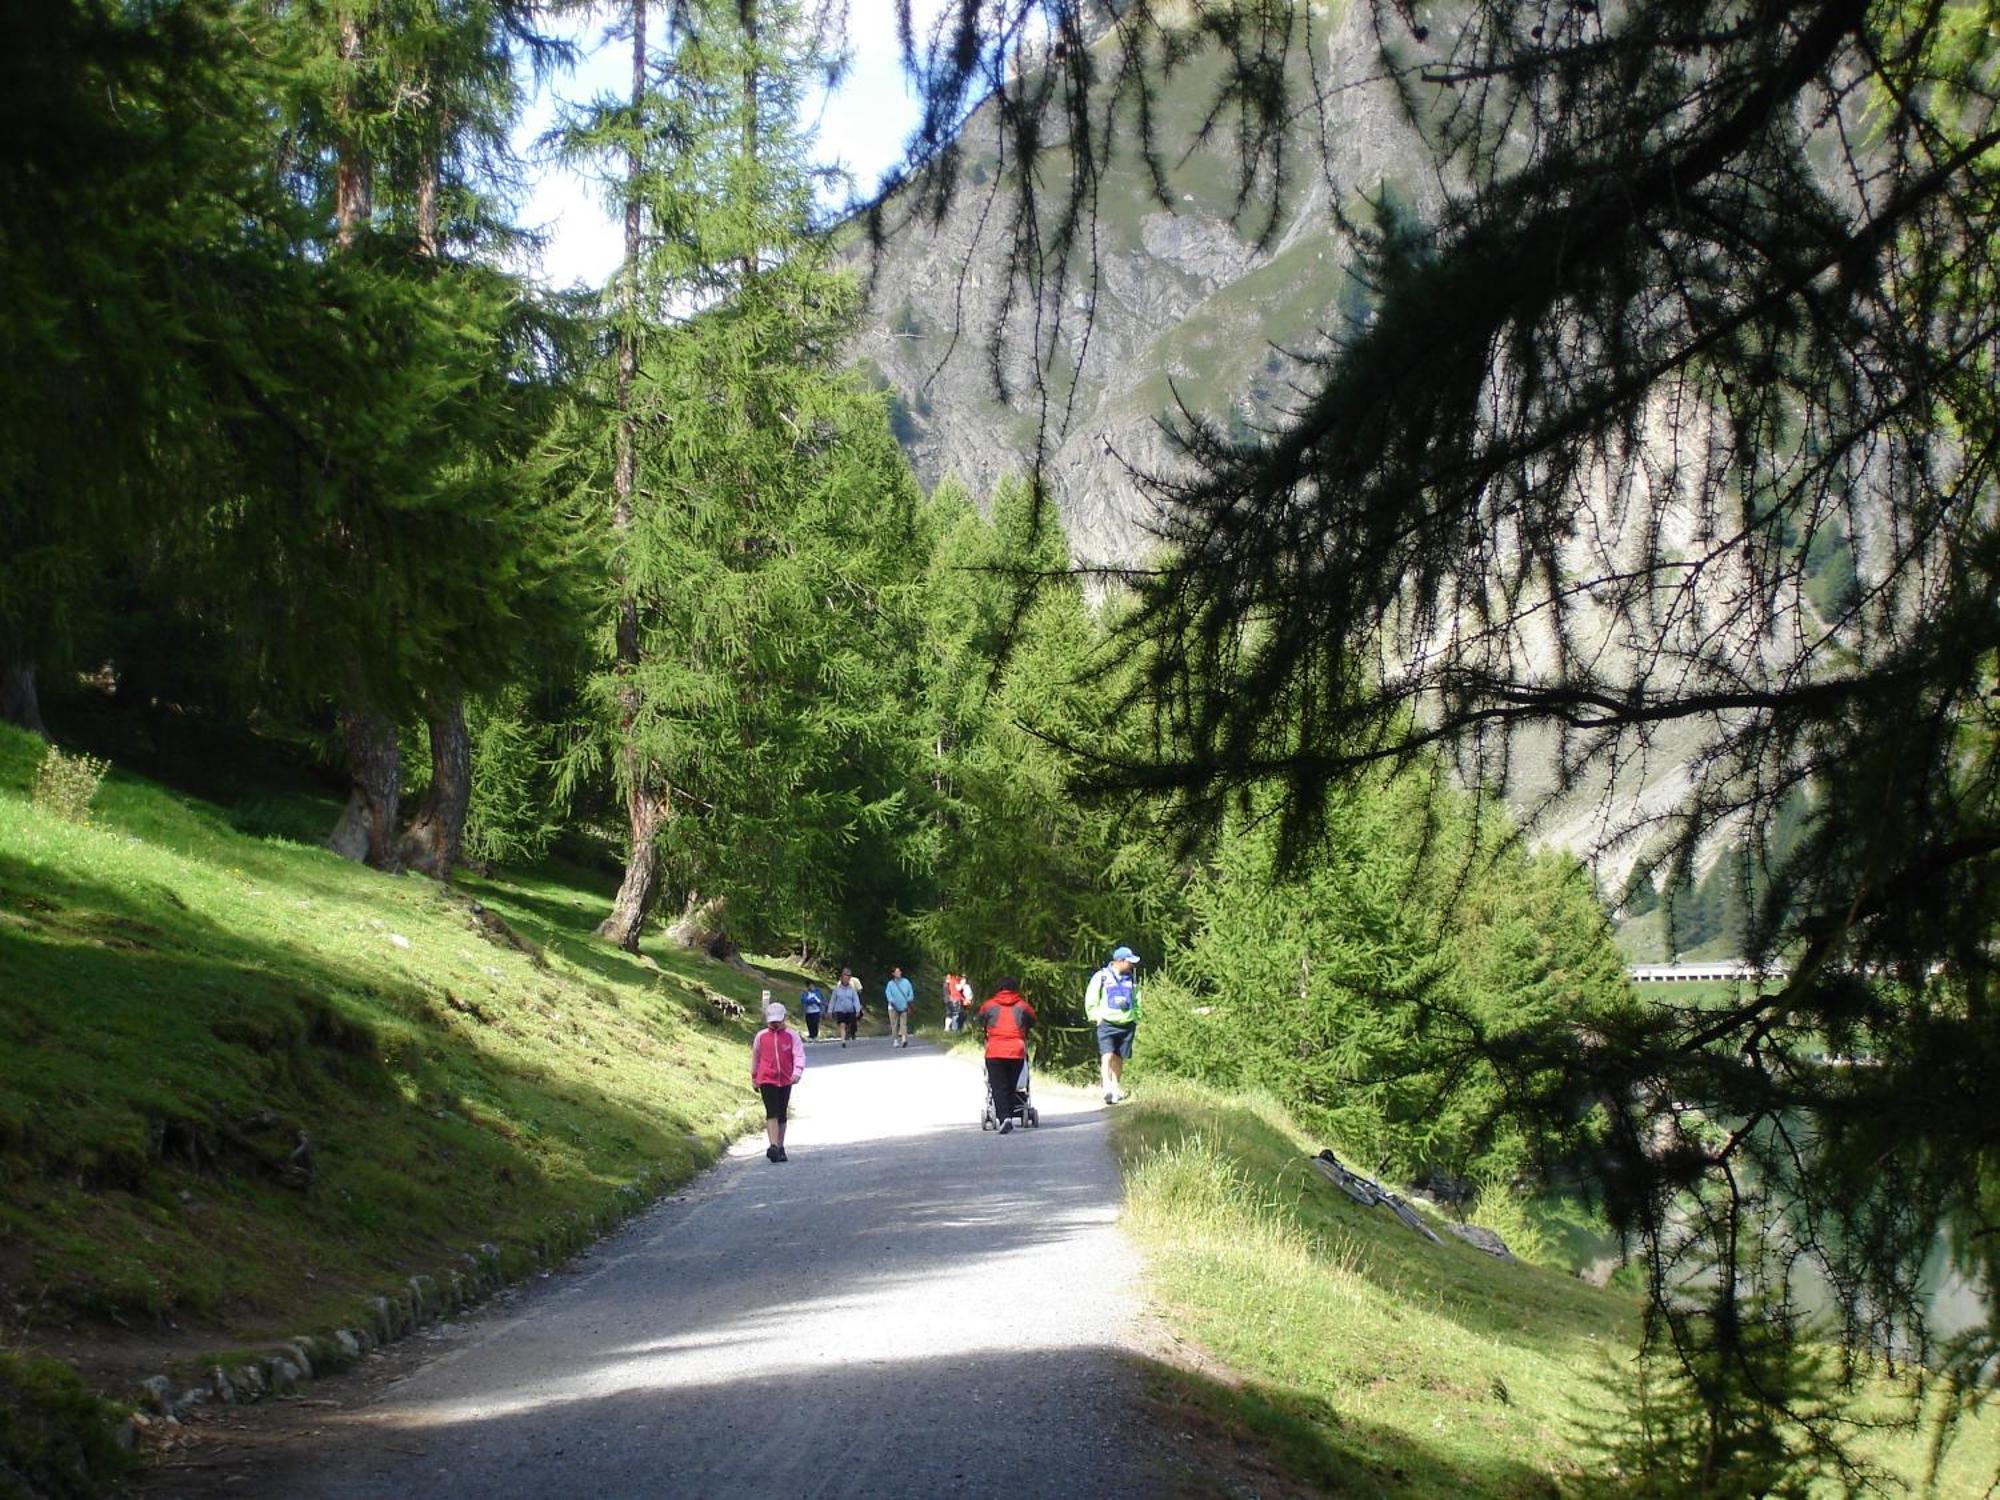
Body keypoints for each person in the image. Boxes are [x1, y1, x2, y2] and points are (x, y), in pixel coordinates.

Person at [751, 996, 806, 1163]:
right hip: (767, 1078)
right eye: (772, 1022)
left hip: (786, 1079)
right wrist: (754, 1077)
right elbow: (756, 1057)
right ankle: (773, 1145)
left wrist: (797, 1072)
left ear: (784, 1019)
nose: (774, 1025)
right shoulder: (761, 1037)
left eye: (778, 1021)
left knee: (782, 1113)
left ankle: (780, 1146)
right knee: (772, 1112)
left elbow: (799, 1055)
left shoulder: (792, 1036)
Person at [976, 979, 1035, 1134]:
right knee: (1011, 1084)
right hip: (1016, 1050)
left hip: (995, 1050)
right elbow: (1032, 1021)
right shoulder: (1023, 1006)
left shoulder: (988, 1006)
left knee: (997, 1086)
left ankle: (1005, 1118)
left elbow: (980, 1021)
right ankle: (1008, 1114)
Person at [1085, 945, 1142, 1104]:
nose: (1131, 965)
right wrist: (1096, 1016)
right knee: (1107, 1055)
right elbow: (1091, 998)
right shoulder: (1102, 976)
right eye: (1129, 962)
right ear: (1120, 961)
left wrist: (1136, 1017)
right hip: (1107, 1024)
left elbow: (1137, 999)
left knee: (1119, 1058)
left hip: (1127, 1024)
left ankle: (1116, 1087)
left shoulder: (1131, 978)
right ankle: (1107, 1087)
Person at [829, 967, 863, 1046]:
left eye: (847, 977)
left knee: (849, 1024)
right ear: (841, 979)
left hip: (850, 1010)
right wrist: (830, 1010)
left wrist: (858, 1009)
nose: (846, 979)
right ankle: (843, 1041)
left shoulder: (852, 989)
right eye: (844, 977)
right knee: (842, 1024)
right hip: (840, 1010)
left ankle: (850, 1033)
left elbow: (855, 1000)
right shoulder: (837, 989)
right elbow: (833, 1000)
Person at [883, 965, 914, 1047]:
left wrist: (909, 999)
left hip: (904, 1006)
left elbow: (910, 992)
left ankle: (904, 1039)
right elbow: (888, 994)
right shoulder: (890, 984)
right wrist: (891, 1001)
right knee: (894, 1024)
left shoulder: (906, 982)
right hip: (893, 1007)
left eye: (899, 971)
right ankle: (895, 1040)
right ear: (893, 974)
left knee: (904, 1024)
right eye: (897, 972)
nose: (899, 973)